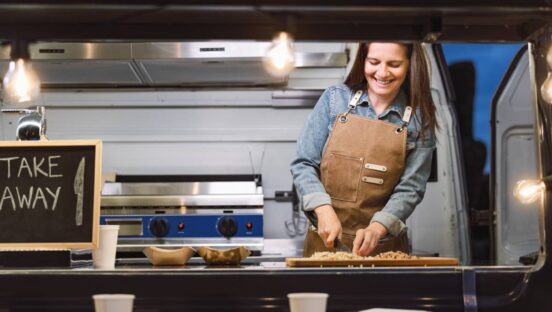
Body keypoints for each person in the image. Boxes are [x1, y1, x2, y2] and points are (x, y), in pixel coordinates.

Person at [290, 42, 438, 257]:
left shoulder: (420, 118)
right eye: (374, 62)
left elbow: (411, 187)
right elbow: (304, 163)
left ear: (410, 65)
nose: (382, 72)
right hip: (324, 243)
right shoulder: (335, 99)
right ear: (363, 62)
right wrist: (323, 210)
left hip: (384, 248)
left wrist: (377, 228)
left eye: (394, 64)